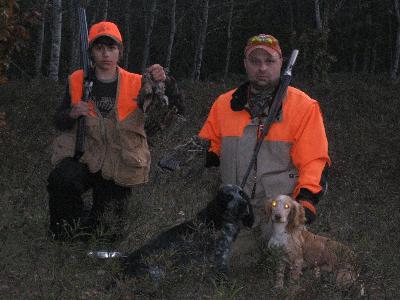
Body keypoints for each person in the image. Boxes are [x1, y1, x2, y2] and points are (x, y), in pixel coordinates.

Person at [197, 34, 330, 259]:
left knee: (288, 264)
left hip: (279, 213)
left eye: (269, 61)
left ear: (281, 62)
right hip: (238, 210)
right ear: (245, 64)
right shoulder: (224, 105)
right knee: (219, 262)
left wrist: (306, 202)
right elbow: (211, 151)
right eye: (255, 61)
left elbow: (314, 161)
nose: (262, 68)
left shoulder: (304, 107)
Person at [47, 21, 182, 241]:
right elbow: (59, 121)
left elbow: (175, 107)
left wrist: (166, 81)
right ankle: (65, 237)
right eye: (99, 48)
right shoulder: (77, 80)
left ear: (120, 52)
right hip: (85, 156)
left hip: (120, 161)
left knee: (108, 235)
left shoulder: (138, 83)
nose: (106, 54)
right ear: (91, 52)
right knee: (61, 181)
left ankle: (91, 223)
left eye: (111, 48)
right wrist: (70, 114)